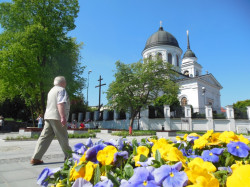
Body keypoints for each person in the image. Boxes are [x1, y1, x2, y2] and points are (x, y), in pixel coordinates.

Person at [30, 76, 71, 165]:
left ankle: (35, 158)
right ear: (63, 82)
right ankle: (70, 157)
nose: (66, 84)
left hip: (48, 116)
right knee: (63, 137)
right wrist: (63, 117)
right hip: (57, 117)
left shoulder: (51, 91)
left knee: (44, 137)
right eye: (65, 82)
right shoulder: (61, 90)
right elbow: (60, 103)